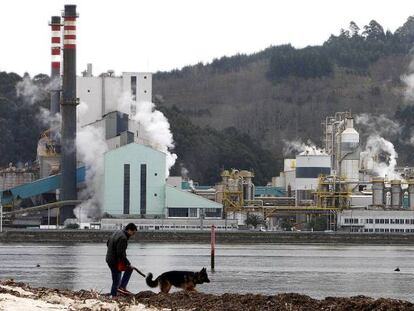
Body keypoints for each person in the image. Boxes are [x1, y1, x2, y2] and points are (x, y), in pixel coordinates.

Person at [106, 223, 138, 296]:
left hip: (110, 258)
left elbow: (107, 243)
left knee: (127, 270)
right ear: (129, 230)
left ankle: (119, 289)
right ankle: (114, 295)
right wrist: (128, 263)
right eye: (133, 233)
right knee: (116, 281)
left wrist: (112, 251)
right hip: (115, 261)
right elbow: (120, 253)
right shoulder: (123, 238)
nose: (133, 235)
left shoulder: (117, 232)